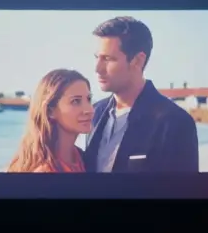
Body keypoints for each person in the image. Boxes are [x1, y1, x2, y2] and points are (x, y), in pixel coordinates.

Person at [83, 16, 200, 174]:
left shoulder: (175, 122)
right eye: (97, 57)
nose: (97, 68)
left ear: (138, 61)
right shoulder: (95, 112)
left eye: (108, 59)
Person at [5, 69, 94, 173]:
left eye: (88, 99)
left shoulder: (80, 158)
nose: (89, 110)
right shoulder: (45, 170)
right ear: (50, 111)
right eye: (75, 101)